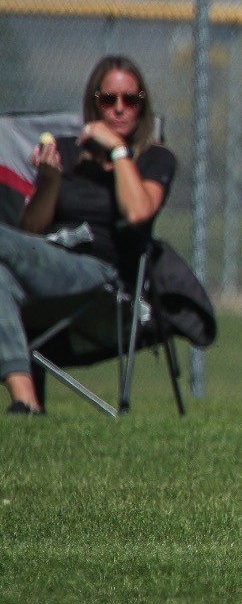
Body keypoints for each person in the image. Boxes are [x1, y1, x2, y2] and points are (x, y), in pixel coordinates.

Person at [2, 56, 175, 414]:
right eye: (108, 100)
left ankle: (25, 399)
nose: (119, 109)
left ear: (143, 104)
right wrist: (49, 181)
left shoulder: (154, 159)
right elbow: (31, 231)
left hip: (102, 279)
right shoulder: (65, 151)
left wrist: (117, 150)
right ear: (93, 103)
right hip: (49, 265)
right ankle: (25, 399)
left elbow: (139, 212)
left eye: (131, 100)